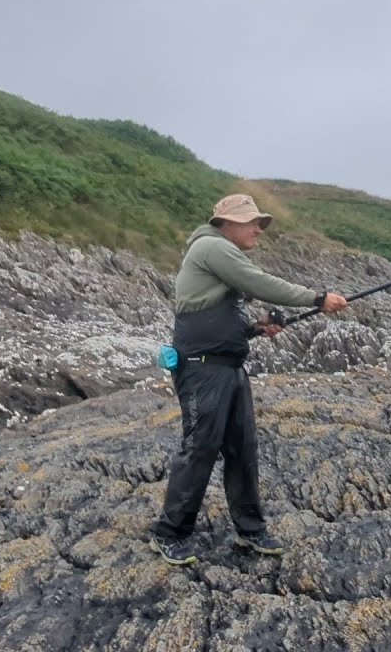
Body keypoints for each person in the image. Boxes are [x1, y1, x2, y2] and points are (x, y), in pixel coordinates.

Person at [151, 193, 347, 566]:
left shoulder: (219, 256)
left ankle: (250, 530)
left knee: (243, 447)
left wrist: (256, 327)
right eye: (252, 221)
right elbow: (259, 283)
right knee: (200, 448)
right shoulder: (211, 246)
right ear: (226, 223)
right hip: (202, 368)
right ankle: (169, 533)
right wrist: (317, 298)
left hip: (228, 368)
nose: (259, 228)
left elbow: (222, 312)